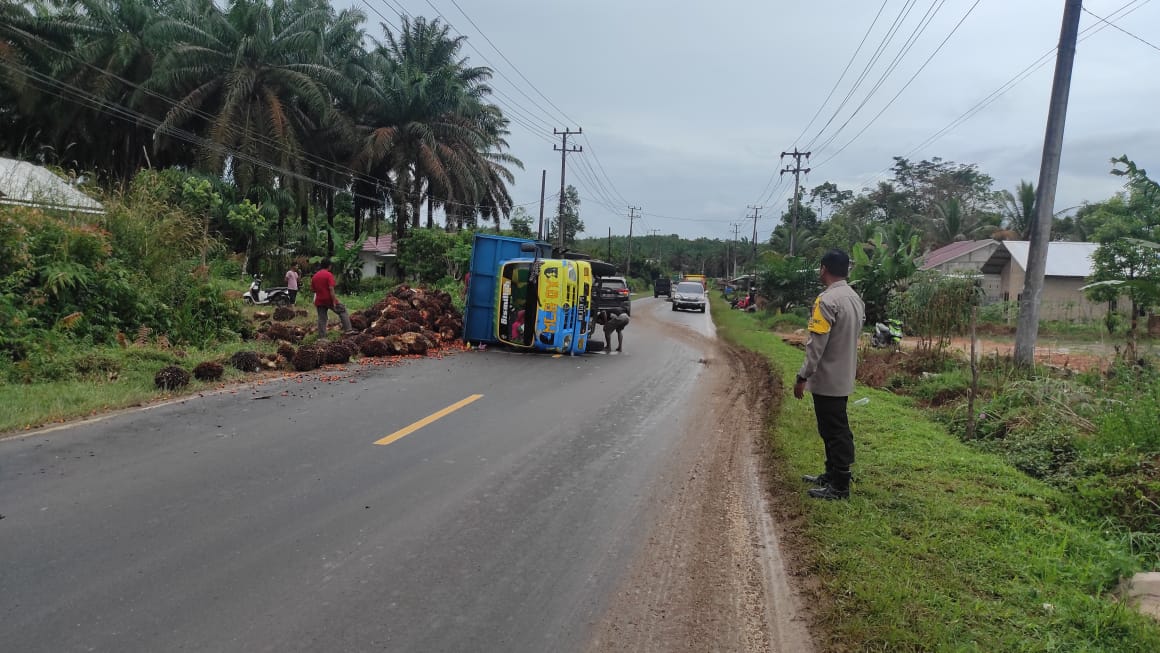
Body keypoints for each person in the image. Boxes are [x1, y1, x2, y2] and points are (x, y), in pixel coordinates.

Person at [794, 249, 865, 500]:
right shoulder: (854, 298)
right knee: (833, 428)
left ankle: (840, 486)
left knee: (834, 431)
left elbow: (817, 345)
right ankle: (832, 474)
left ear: (823, 269)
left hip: (827, 378)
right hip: (844, 375)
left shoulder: (826, 301)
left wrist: (803, 376)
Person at [311, 258, 352, 338]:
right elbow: (331, 289)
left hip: (319, 300)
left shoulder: (315, 276)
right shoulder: (329, 275)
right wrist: (334, 301)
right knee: (342, 311)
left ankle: (322, 337)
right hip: (329, 299)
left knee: (322, 319)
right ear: (329, 266)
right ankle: (348, 330)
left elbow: (313, 290)